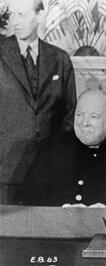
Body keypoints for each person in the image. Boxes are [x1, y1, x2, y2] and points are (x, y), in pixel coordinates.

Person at [20, 89, 106, 208]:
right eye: (79, 115)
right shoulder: (52, 149)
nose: (84, 123)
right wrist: (64, 210)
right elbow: (29, 198)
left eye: (94, 116)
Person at [0, 0, 76, 204]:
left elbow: (69, 113)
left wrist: (57, 158)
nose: (15, 22)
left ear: (41, 16)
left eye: (22, 15)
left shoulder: (60, 59)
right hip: (6, 171)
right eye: (13, 15)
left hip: (48, 170)